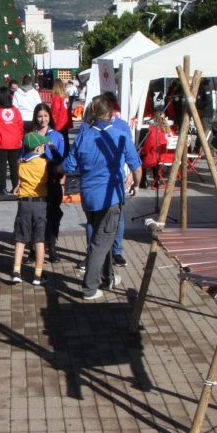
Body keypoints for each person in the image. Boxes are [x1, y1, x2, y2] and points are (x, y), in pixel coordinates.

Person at [61, 94, 142, 300]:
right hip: (110, 196)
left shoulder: (83, 136)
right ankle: (89, 287)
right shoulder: (120, 135)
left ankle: (108, 278)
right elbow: (136, 166)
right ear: (110, 113)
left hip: (89, 196)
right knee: (101, 241)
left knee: (101, 238)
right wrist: (136, 183)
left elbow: (69, 166)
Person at [12, 131, 52, 286]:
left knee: (20, 239)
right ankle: (37, 274)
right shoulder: (44, 163)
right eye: (43, 145)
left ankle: (16, 271)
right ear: (37, 149)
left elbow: (20, 175)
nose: (44, 147)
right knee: (39, 240)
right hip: (40, 203)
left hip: (24, 204)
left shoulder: (21, 164)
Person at [29, 103, 66, 263]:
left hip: (53, 181)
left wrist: (63, 181)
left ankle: (52, 246)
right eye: (39, 116)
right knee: (35, 216)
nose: (42, 119)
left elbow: (63, 161)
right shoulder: (30, 135)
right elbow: (24, 159)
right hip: (35, 182)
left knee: (53, 215)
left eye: (45, 116)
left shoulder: (57, 136)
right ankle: (33, 249)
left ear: (49, 116)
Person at [138, 105, 177, 189]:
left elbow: (149, 145)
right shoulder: (171, 131)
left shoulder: (154, 130)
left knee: (143, 156)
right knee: (152, 155)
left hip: (159, 157)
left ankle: (143, 181)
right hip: (170, 157)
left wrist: (142, 151)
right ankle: (157, 180)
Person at [48, 79, 72, 153]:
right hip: (65, 121)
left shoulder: (56, 97)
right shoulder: (66, 96)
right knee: (65, 139)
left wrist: (51, 123)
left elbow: (55, 111)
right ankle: (67, 153)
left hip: (59, 122)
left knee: (58, 141)